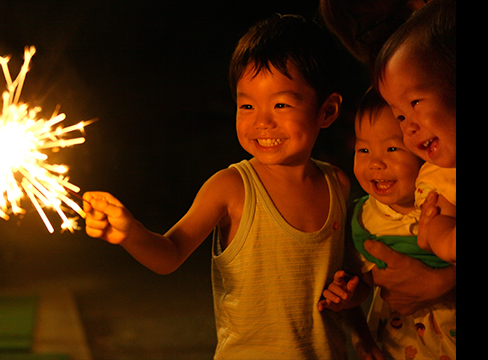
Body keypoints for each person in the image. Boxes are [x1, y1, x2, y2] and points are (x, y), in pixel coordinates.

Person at [82, 14, 362, 359]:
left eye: (281, 104)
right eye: (247, 105)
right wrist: (130, 233)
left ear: (327, 110)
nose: (261, 120)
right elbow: (169, 255)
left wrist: (352, 304)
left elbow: (349, 276)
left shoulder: (338, 184)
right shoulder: (231, 187)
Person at [318, 88, 456, 359]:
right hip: (400, 347)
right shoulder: (364, 220)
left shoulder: (443, 198)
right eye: (364, 149)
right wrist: (348, 295)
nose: (376, 163)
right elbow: (368, 282)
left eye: (392, 148)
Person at [373, 0, 455, 265]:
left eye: (415, 103)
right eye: (400, 116)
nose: (408, 126)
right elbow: (439, 227)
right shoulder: (439, 178)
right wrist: (443, 240)